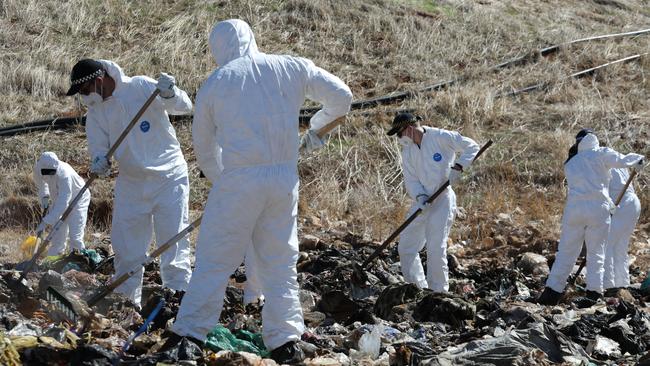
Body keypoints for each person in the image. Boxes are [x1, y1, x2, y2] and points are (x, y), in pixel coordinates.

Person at [168, 19, 352, 363]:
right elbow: (342, 97)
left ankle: (189, 335)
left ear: (217, 48)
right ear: (252, 37)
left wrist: (223, 180)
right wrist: (316, 132)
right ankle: (285, 341)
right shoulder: (291, 66)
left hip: (238, 179)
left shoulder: (216, 82)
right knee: (280, 263)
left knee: (214, 261)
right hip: (283, 179)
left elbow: (204, 149)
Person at [65, 58, 193, 308]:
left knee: (174, 243)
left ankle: (178, 301)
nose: (84, 97)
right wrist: (99, 162)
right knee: (126, 248)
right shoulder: (97, 113)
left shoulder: (142, 87)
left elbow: (184, 106)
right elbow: (99, 150)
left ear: (99, 81)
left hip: (169, 177)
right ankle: (127, 304)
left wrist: (170, 93)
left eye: (85, 91)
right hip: (132, 183)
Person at [538, 129, 644, 305]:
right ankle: (593, 293)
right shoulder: (601, 153)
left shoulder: (570, 164)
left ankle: (551, 292)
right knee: (597, 252)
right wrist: (638, 159)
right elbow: (623, 160)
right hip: (597, 210)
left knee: (565, 252)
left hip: (574, 210)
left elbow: (585, 185)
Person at [387, 112, 479, 293]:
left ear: (410, 128)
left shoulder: (440, 136)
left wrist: (459, 166)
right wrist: (420, 197)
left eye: (400, 133)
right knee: (406, 245)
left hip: (443, 198)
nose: (400, 138)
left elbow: (472, 146)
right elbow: (411, 179)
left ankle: (439, 292)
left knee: (435, 246)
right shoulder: (408, 151)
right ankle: (416, 288)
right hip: (424, 201)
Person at [33, 152, 91, 256]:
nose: (50, 173)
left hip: (78, 198)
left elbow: (64, 202)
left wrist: (46, 221)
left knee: (75, 235)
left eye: (52, 171)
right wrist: (45, 197)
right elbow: (41, 185)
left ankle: (78, 261)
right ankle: (55, 260)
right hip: (58, 198)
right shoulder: (38, 169)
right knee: (57, 233)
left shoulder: (64, 174)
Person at [603, 161, 642, 290]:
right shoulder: (617, 164)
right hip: (633, 203)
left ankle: (608, 285)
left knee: (606, 244)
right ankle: (622, 284)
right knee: (620, 246)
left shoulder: (602, 165)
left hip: (622, 203)